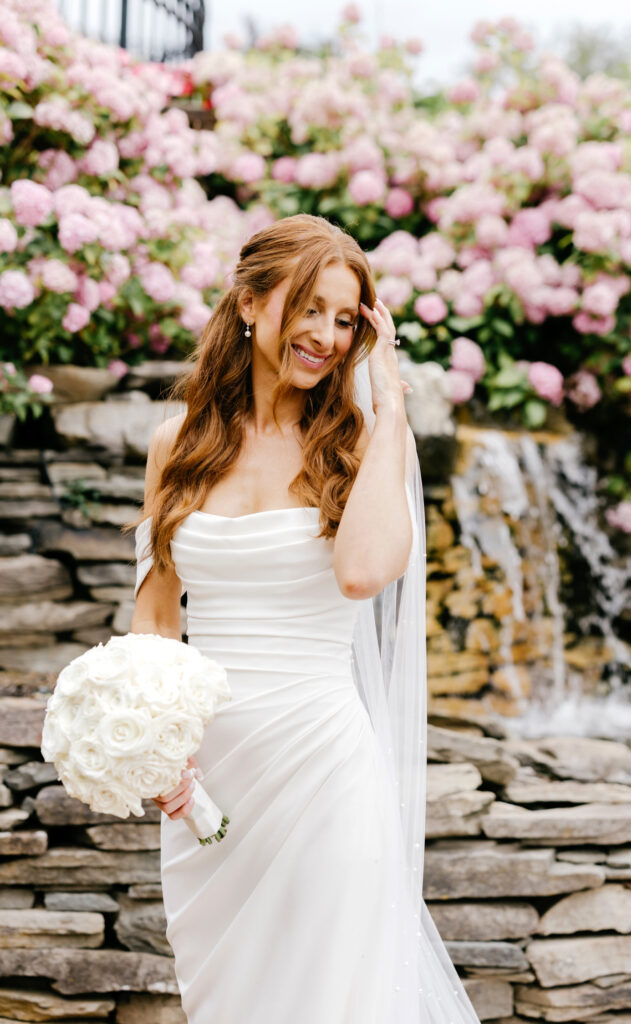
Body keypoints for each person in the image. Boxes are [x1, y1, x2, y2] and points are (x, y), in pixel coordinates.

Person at [127, 213, 480, 1024]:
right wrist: (155, 744)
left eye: (346, 318)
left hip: (322, 769)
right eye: (308, 307)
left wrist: (390, 402)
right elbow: (155, 614)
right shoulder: (173, 443)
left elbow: (360, 574)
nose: (325, 334)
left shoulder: (358, 447)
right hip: (207, 782)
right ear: (248, 302)